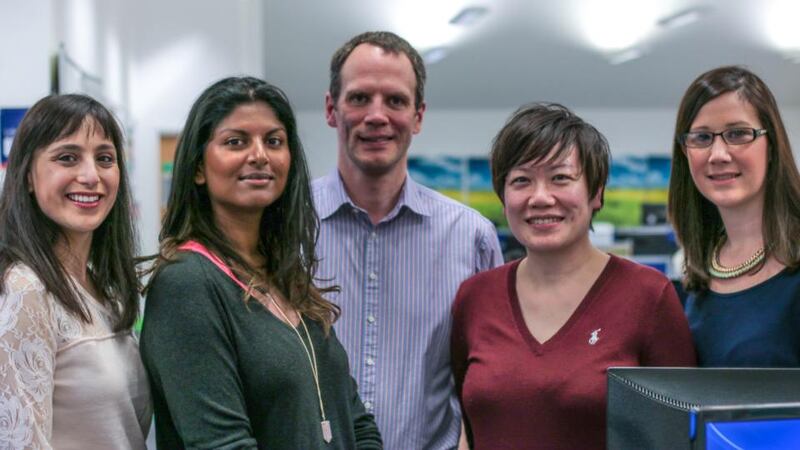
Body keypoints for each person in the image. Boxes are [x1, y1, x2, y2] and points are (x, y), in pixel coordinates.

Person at [140, 76, 382, 449]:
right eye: (236, 141)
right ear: (199, 168)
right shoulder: (186, 284)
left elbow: (356, 422)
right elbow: (221, 445)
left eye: (273, 141)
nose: (259, 155)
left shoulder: (288, 277)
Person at [451, 103, 696, 449]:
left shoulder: (647, 295)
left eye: (560, 178)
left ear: (596, 193)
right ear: (503, 198)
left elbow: (679, 434)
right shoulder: (475, 297)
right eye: (521, 180)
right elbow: (468, 426)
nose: (540, 197)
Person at [313, 31, 503, 449]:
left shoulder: (471, 238)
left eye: (395, 101)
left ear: (418, 116)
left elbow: (488, 382)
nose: (377, 116)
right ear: (331, 109)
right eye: (360, 98)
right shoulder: (286, 228)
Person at [0, 94, 150, 449]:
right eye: (67, 158)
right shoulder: (26, 289)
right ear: (28, 177)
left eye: (105, 159)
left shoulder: (104, 288)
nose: (90, 175)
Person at [668, 66, 800, 367]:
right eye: (701, 138)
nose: (718, 154)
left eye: (738, 134)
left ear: (772, 146)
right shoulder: (696, 274)